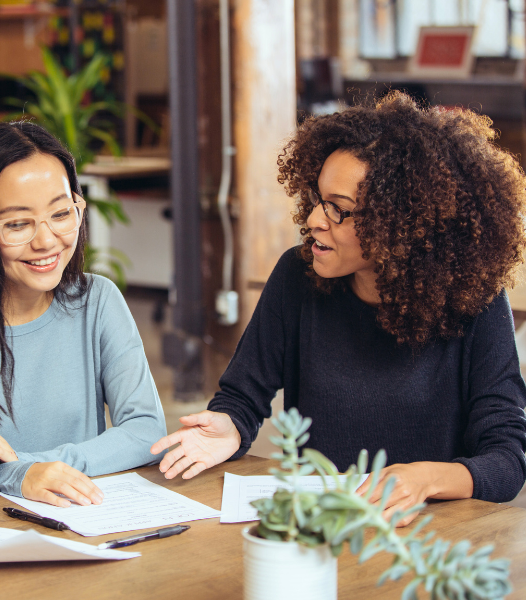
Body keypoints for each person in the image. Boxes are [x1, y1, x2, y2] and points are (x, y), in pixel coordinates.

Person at [151, 92, 526, 525]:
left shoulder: (474, 299)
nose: (313, 219)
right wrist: (228, 427)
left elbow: (506, 461)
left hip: (426, 541)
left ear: (401, 224)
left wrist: (425, 479)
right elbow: (242, 396)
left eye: (339, 210)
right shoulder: (297, 276)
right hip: (319, 528)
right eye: (317, 199)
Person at [0, 121, 167, 507]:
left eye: (62, 213)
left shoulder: (97, 302)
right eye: (17, 224)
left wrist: (28, 466)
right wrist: (18, 475)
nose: (47, 240)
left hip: (87, 524)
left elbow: (146, 431)